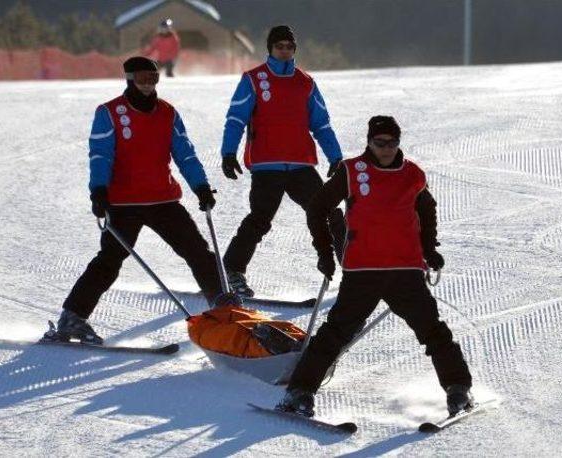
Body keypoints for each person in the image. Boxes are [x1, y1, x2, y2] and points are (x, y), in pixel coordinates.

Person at [276, 116, 474, 417]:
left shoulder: (413, 174)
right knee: (335, 333)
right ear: (369, 141)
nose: (386, 149)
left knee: (433, 331)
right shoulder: (352, 171)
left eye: (392, 143)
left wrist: (429, 249)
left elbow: (427, 211)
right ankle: (299, 393)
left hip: (405, 270)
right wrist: (324, 252)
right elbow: (318, 208)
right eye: (380, 143)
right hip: (362, 271)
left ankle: (458, 390)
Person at [50, 56, 235, 344]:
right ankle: (72, 318)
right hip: (123, 204)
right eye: (142, 78)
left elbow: (184, 154)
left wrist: (201, 186)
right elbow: (100, 155)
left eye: (153, 78)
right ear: (129, 79)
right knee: (109, 261)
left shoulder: (167, 113)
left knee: (198, 251)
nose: (148, 84)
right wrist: (98, 191)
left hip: (163, 200)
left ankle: (223, 308)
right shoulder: (109, 113)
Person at [220, 25, 346, 297]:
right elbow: (235, 119)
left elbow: (321, 124)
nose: (285, 51)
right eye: (280, 47)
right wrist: (228, 153)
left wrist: (335, 157)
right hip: (267, 165)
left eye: (289, 47)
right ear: (271, 49)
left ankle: (353, 267)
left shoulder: (305, 83)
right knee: (260, 219)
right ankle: (232, 270)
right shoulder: (254, 80)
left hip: (301, 165)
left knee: (331, 212)